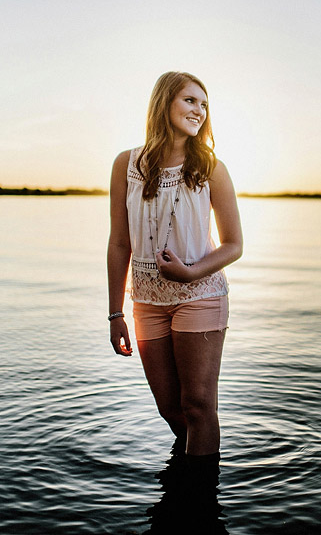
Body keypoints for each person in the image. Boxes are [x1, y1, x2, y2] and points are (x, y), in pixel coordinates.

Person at [107, 71, 243, 459]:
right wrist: (116, 312)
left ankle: (200, 503)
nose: (198, 110)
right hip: (146, 303)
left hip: (199, 294)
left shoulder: (210, 167)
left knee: (198, 406)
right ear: (164, 102)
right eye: (189, 100)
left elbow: (234, 245)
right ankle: (186, 480)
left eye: (204, 104)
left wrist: (190, 272)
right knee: (170, 408)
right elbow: (119, 243)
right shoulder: (126, 165)